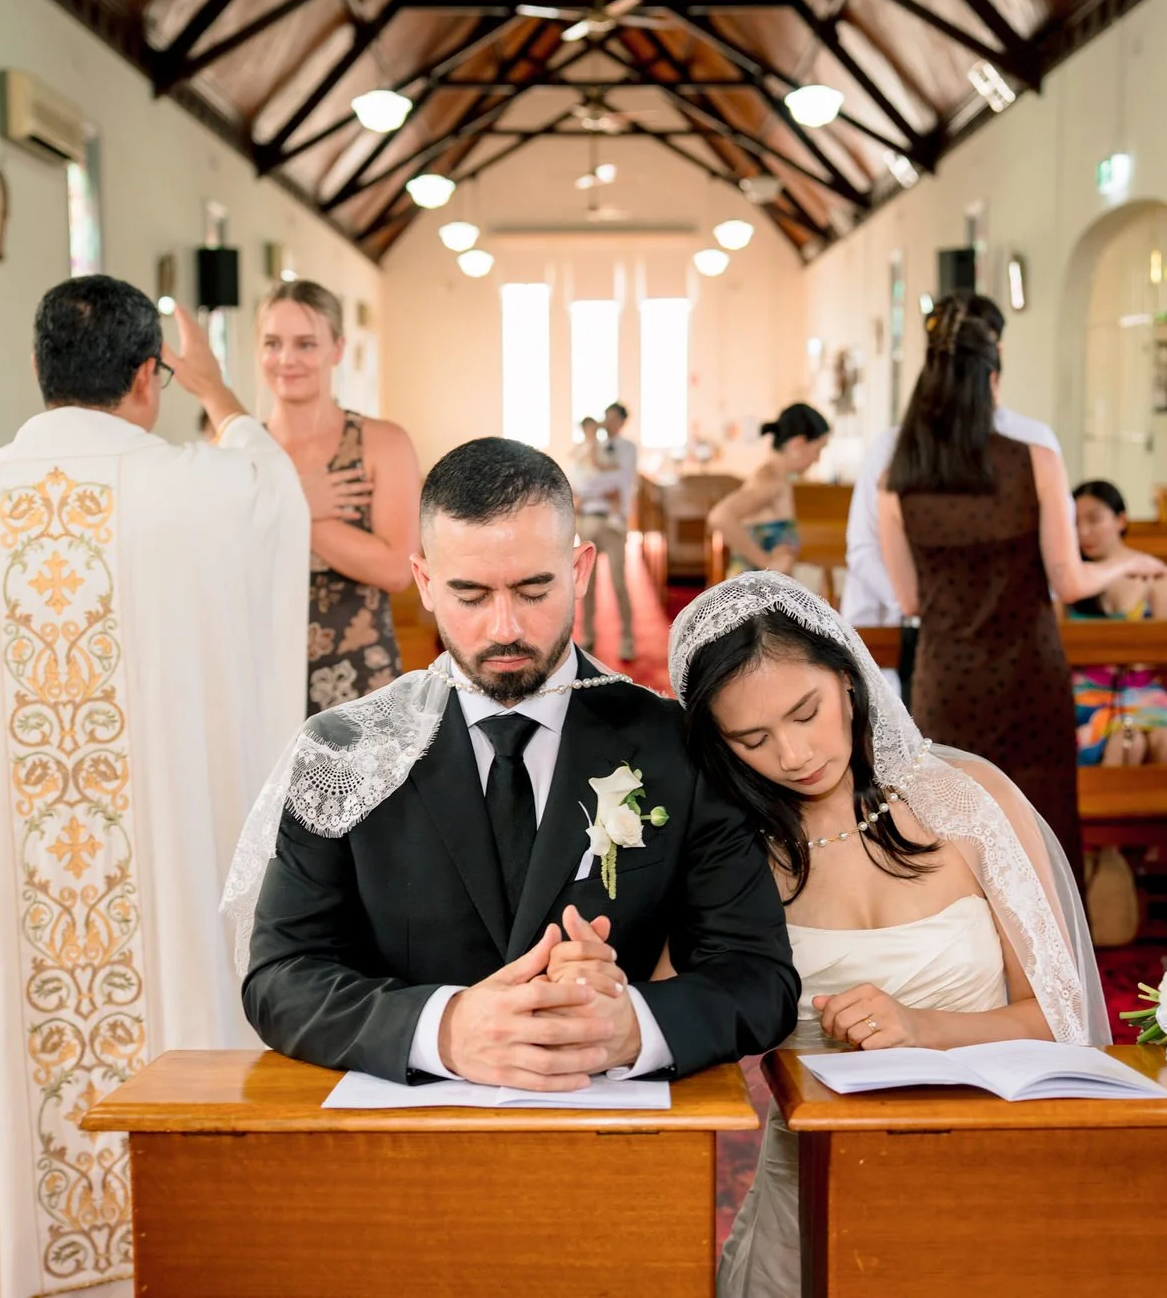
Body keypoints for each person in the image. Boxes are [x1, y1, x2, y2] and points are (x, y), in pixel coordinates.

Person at [0, 275, 309, 1298]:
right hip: (157, 876)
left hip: (15, 885)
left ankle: (45, 1258)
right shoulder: (195, 486)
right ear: (146, 376)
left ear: (37, 373)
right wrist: (222, 397)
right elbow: (274, 498)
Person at [228, 437, 798, 1087]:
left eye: (533, 590)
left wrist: (632, 1024)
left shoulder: (675, 743)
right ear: (425, 581)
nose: (504, 627)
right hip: (403, 1150)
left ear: (580, 570)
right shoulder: (343, 749)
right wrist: (443, 1028)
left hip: (612, 1146)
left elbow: (759, 976)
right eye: (470, 595)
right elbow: (279, 978)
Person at [666, 571, 1107, 1298]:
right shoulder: (734, 854)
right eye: (754, 738)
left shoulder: (968, 802)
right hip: (809, 1180)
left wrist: (920, 1025)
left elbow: (1063, 1021)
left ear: (847, 677)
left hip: (983, 1169)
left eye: (805, 711)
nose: (793, 753)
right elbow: (674, 1014)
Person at [878, 298, 1167, 879]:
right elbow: (1068, 580)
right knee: (1040, 832)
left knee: (956, 838)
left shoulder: (898, 482)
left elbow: (909, 600)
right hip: (1027, 677)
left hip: (947, 679)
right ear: (990, 380)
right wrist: (1125, 564)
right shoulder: (1034, 460)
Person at [844, 295, 1060, 699]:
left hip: (1016, 639)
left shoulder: (1033, 443)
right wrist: (934, 607)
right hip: (920, 636)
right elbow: (863, 548)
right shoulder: (894, 448)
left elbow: (1052, 556)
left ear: (996, 353)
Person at [259, 280, 421, 714]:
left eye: (305, 344)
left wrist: (289, 506)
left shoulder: (381, 443)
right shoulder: (242, 452)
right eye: (272, 343)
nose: (286, 359)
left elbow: (394, 570)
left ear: (336, 349)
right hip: (262, 671)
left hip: (358, 673)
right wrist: (301, 502)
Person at [1068, 480, 1167, 767]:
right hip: (1087, 690)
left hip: (1142, 689)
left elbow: (1163, 647)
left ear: (1121, 520)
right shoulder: (1070, 578)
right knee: (1126, 744)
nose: (1083, 531)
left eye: (1094, 519)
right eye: (1075, 522)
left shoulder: (1154, 575)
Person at [707, 404, 832, 593]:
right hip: (752, 603)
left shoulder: (779, 479)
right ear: (797, 444)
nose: (817, 459)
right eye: (818, 450)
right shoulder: (770, 482)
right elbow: (720, 516)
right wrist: (767, 566)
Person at [571, 413, 636, 662]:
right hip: (587, 520)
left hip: (613, 523)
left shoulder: (621, 451)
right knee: (587, 584)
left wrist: (597, 488)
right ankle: (588, 636)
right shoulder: (581, 453)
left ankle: (628, 638)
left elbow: (619, 484)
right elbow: (578, 485)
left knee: (619, 582)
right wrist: (588, 491)